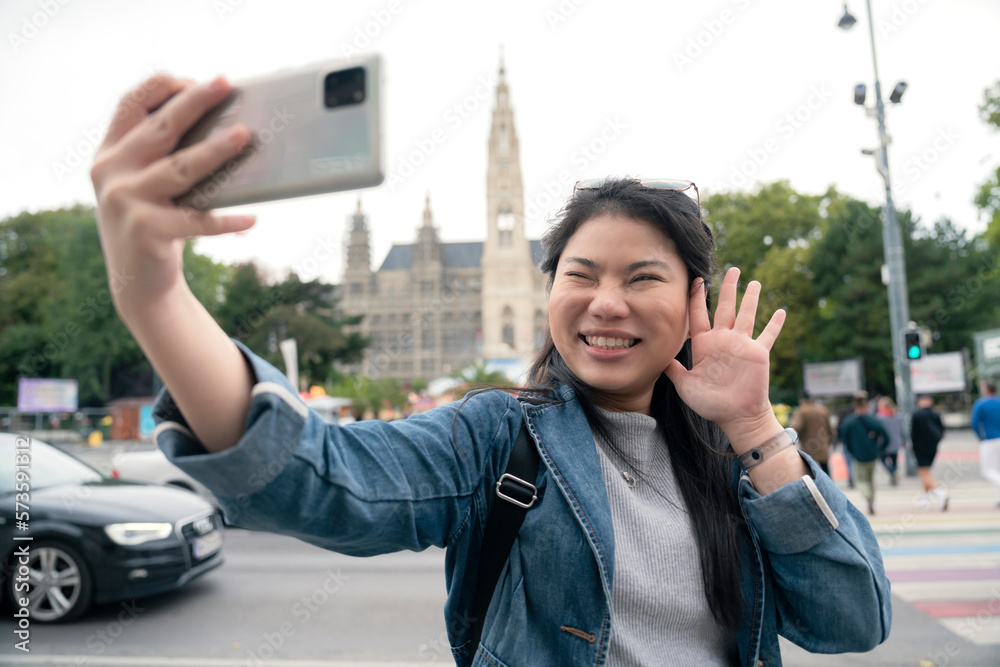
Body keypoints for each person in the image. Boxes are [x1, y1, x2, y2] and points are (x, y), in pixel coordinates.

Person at [89, 74, 891, 666]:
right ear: (549, 289)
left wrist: (755, 430)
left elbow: (851, 619)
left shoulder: (737, 458)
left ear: (692, 301)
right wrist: (156, 295)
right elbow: (317, 477)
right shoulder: (497, 440)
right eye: (580, 274)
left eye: (641, 277)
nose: (605, 303)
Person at [839, 391, 889, 515]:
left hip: (858, 455)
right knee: (871, 479)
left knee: (860, 480)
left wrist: (852, 451)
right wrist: (879, 449)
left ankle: (866, 495)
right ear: (866, 404)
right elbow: (886, 436)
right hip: (872, 454)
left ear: (854, 404)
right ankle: (872, 499)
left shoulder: (849, 421)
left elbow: (844, 440)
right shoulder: (873, 419)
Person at [911, 395, 949, 511]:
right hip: (933, 447)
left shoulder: (917, 415)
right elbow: (942, 430)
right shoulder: (936, 414)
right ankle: (925, 499)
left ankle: (940, 492)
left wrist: (913, 446)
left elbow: (913, 433)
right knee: (926, 472)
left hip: (920, 447)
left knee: (923, 473)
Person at [972, 379, 1000, 507]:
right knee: (997, 469)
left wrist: (980, 437)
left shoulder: (981, 404)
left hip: (989, 439)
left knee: (988, 471)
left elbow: (974, 423)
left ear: (986, 389)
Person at [790, 391, 833, 476]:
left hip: (808, 448)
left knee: (809, 473)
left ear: (802, 400)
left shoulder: (801, 411)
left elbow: (797, 428)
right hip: (823, 446)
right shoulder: (823, 410)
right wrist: (829, 442)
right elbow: (830, 429)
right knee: (826, 471)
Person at [876, 396, 903, 486]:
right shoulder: (898, 416)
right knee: (894, 461)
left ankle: (892, 472)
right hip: (896, 442)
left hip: (885, 443)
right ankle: (894, 473)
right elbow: (902, 430)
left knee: (883, 460)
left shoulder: (880, 418)